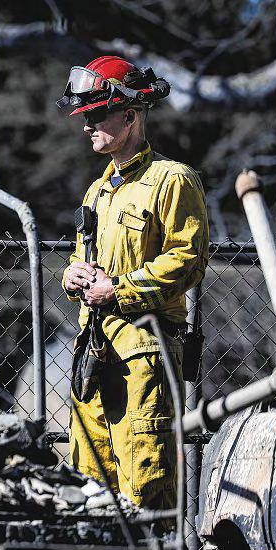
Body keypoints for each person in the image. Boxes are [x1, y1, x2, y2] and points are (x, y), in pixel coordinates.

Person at [58, 55, 209, 510]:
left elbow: (188, 260)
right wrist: (73, 275)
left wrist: (118, 289)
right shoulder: (98, 191)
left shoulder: (172, 179)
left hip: (144, 356)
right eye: (83, 115)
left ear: (130, 114)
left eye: (96, 113)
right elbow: (83, 257)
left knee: (145, 488)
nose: (87, 124)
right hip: (92, 356)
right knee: (89, 489)